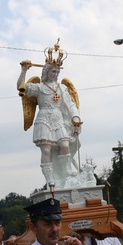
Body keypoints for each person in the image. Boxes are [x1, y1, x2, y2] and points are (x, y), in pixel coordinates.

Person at [17, 40, 83, 188]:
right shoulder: (39, 87)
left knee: (65, 144)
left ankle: (65, 171)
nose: (56, 74)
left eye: (57, 72)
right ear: (46, 72)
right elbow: (21, 88)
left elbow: (70, 104)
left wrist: (76, 119)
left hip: (58, 118)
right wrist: (23, 71)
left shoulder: (62, 88)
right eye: (53, 71)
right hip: (44, 118)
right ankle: (50, 178)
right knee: (46, 149)